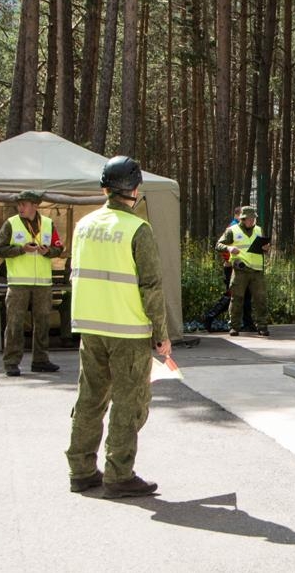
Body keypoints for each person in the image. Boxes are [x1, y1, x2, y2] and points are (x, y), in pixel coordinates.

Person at [65, 155, 170, 499]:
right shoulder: (137, 229)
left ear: (105, 188)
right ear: (135, 189)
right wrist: (161, 335)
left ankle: (81, 471)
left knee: (90, 398)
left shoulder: (84, 225)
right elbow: (151, 286)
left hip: (91, 327)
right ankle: (119, 475)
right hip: (128, 330)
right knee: (129, 402)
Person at [0, 190, 64, 376]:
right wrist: (21, 249)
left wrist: (48, 252)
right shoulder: (11, 223)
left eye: (23, 204)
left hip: (43, 284)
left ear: (35, 205)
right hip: (18, 284)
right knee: (14, 323)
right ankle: (11, 362)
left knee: (43, 323)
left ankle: (40, 360)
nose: (20, 208)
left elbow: (59, 248)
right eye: (19, 204)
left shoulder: (48, 223)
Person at [215, 206, 270, 337]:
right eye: (249, 219)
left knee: (260, 299)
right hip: (240, 270)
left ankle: (262, 326)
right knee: (237, 299)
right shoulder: (232, 230)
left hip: (257, 270)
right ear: (243, 219)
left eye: (254, 218)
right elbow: (218, 245)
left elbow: (263, 248)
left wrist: (266, 248)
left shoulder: (258, 230)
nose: (252, 221)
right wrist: (229, 248)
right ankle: (234, 327)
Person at [202, 206, 253, 332]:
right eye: (244, 216)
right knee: (232, 295)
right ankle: (209, 317)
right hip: (233, 267)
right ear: (238, 215)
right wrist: (229, 260)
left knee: (245, 294)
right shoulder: (233, 228)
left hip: (242, 267)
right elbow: (223, 246)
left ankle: (248, 323)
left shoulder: (244, 229)